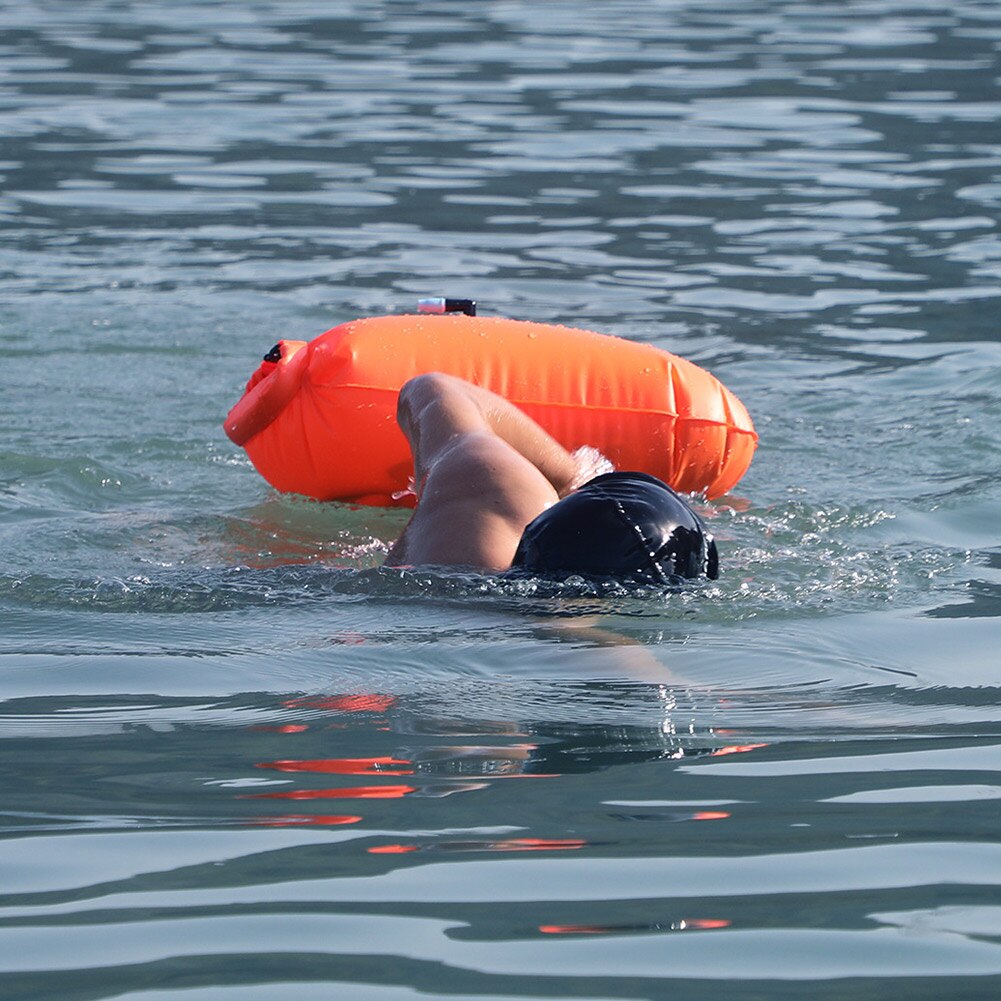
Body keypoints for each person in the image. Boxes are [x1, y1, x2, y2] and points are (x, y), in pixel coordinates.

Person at [384, 373, 719, 584]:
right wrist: (571, 474)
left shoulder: (490, 490)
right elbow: (434, 387)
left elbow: (433, 389)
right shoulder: (489, 485)